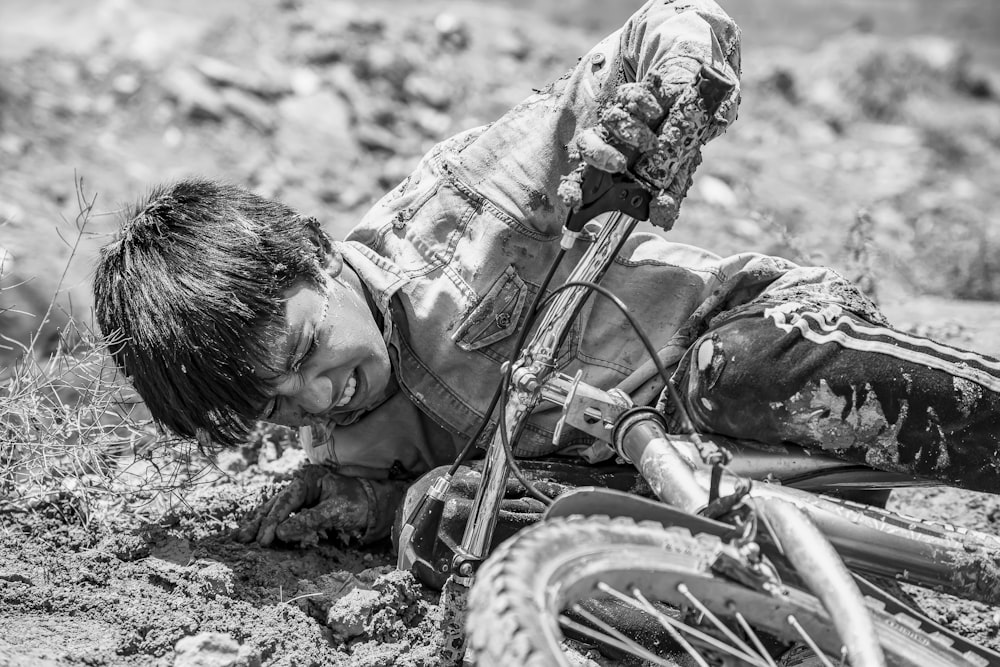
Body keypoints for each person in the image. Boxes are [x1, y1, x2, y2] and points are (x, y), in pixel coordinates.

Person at [93, 0, 1000, 564]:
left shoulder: (460, 205)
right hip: (683, 482)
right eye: (280, 408)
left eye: (302, 349)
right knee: (443, 520)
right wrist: (364, 507)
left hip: (753, 353)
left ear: (313, 255)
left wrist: (670, 92)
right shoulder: (347, 446)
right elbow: (401, 494)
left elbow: (670, 22)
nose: (319, 394)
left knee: (733, 369)